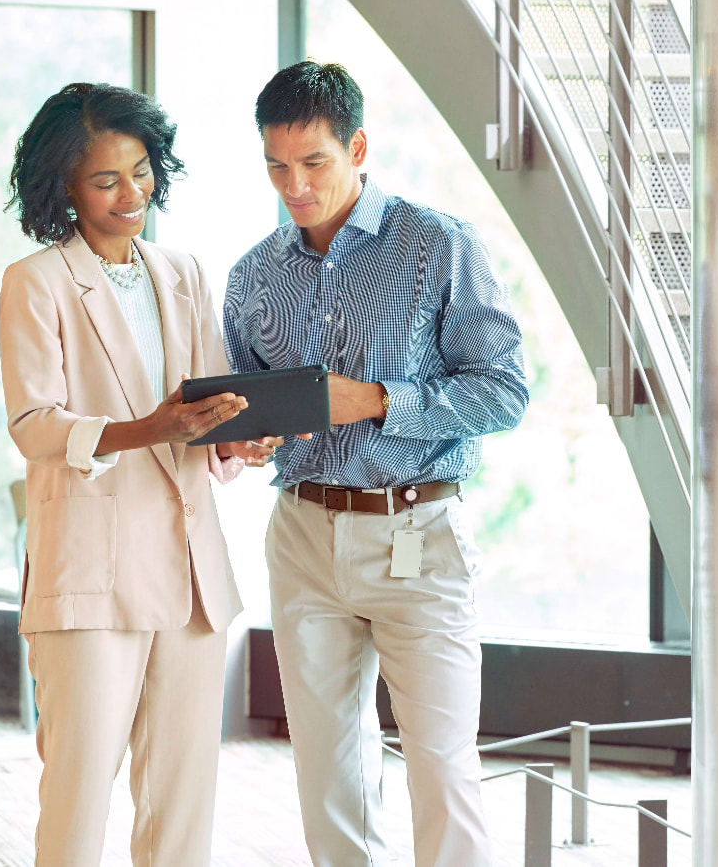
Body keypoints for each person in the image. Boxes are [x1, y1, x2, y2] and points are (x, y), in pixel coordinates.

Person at [222, 61, 529, 867]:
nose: (294, 185)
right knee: (329, 766)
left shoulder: (439, 246)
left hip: (417, 531)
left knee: (440, 761)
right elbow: (252, 410)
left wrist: (379, 400)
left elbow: (504, 393)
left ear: (357, 146)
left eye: (313, 162)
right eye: (276, 165)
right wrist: (247, 439)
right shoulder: (252, 276)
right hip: (301, 535)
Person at [0, 81, 279, 867]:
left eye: (142, 169)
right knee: (79, 798)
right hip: (90, 579)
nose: (133, 193)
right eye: (106, 179)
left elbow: (210, 406)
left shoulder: (184, 270)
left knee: (182, 803)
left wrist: (235, 444)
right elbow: (34, 425)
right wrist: (151, 427)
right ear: (65, 187)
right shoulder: (38, 282)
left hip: (191, 579)